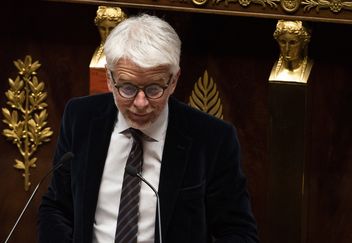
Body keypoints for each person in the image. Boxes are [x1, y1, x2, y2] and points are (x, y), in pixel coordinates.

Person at [38, 14, 259, 243]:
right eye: (128, 88)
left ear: (173, 80)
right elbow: (56, 207)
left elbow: (239, 232)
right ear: (109, 79)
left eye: (154, 89)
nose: (141, 103)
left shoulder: (212, 138)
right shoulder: (81, 118)